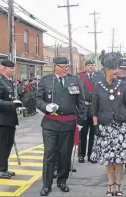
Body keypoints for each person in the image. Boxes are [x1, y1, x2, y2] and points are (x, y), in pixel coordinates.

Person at [35, 56, 86, 196]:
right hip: (50, 123)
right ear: (55, 66)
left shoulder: (74, 80)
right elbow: (37, 99)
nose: (66, 69)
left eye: (67, 67)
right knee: (50, 153)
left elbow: (80, 102)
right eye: (63, 67)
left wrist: (81, 121)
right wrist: (46, 106)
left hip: (68, 124)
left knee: (65, 154)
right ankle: (47, 184)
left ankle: (62, 181)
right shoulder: (46, 81)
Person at [90, 50, 126, 196]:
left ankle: (119, 185)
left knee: (119, 159)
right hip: (105, 128)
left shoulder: (122, 86)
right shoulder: (98, 86)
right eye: (114, 68)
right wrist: (95, 125)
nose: (117, 71)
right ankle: (110, 185)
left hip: (120, 127)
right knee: (109, 160)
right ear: (107, 69)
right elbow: (94, 109)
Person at [0, 60, 22, 179]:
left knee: (8, 145)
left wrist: (14, 104)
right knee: (1, 145)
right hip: (0, 120)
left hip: (9, 119)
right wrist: (11, 104)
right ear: (4, 68)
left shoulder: (8, 82)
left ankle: (4, 168)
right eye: (11, 68)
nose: (13, 70)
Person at [77, 59, 102, 164]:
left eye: (93, 65)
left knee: (93, 133)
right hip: (83, 108)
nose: (91, 67)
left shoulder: (100, 76)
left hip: (95, 109)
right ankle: (81, 155)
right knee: (82, 133)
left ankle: (91, 155)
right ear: (85, 66)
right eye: (89, 65)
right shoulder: (79, 76)